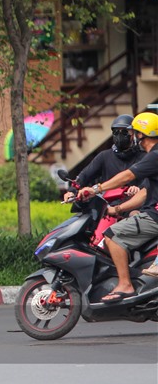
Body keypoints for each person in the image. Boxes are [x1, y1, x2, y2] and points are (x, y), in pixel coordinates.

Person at [78, 112, 158, 302]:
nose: (131, 137)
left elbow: (127, 176)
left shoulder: (154, 156)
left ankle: (125, 285)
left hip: (155, 216)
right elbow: (145, 193)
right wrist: (119, 209)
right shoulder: (152, 156)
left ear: (141, 135)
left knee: (112, 236)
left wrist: (96, 188)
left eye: (133, 133)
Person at [63, 114, 143, 201]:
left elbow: (149, 183)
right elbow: (85, 175)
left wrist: (138, 188)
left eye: (125, 132)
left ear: (134, 134)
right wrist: (72, 191)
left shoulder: (143, 157)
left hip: (134, 205)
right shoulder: (104, 156)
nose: (120, 135)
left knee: (134, 214)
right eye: (116, 132)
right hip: (107, 206)